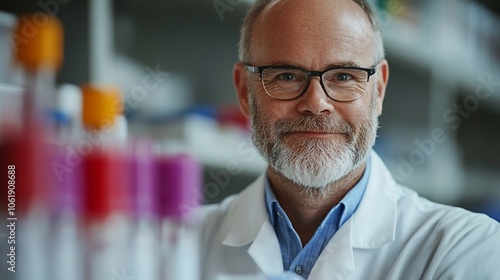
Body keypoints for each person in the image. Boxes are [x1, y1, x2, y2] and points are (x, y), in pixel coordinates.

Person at [198, 0, 500, 279]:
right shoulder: (180, 242)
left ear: (378, 89)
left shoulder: (465, 249)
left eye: (343, 76)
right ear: (243, 91)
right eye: (287, 76)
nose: (315, 103)